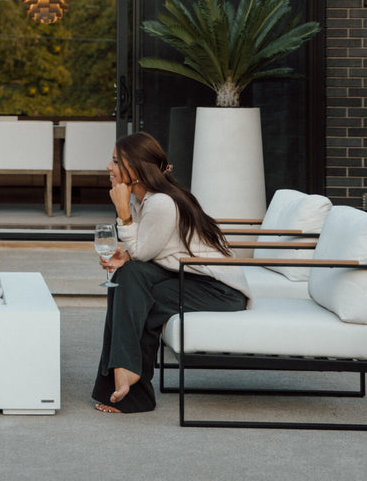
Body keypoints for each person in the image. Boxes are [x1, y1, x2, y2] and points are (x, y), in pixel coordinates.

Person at [91, 131, 250, 413]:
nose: (109, 168)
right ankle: (128, 382)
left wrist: (122, 213)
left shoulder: (161, 202)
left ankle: (127, 380)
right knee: (128, 279)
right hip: (190, 276)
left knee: (136, 290)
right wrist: (125, 256)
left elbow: (144, 253)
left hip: (220, 290)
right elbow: (157, 248)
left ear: (135, 169)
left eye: (115, 162)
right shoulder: (148, 200)